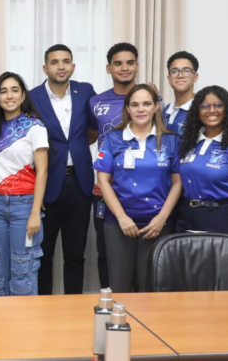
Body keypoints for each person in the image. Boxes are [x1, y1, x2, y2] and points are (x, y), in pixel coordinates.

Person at [94, 84, 182, 293]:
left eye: (146, 104)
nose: (140, 109)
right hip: (119, 224)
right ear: (127, 109)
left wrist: (161, 219)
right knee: (120, 287)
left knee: (151, 287)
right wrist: (122, 217)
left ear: (155, 107)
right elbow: (103, 181)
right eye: (135, 104)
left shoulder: (171, 140)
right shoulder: (113, 138)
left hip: (158, 225)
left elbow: (178, 183)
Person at [29, 44, 98, 295]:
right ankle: (44, 308)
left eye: (66, 61)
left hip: (80, 183)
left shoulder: (86, 91)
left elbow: (94, 128)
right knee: (43, 256)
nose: (61, 66)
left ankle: (75, 308)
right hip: (47, 184)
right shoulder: (32, 96)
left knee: (75, 254)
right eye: (55, 62)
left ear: (73, 66)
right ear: (46, 67)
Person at [0, 72, 48, 296]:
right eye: (3, 91)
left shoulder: (34, 126)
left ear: (23, 95)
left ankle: (24, 330)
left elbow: (43, 170)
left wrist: (35, 211)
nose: (9, 96)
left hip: (24, 206)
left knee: (22, 270)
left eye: (15, 90)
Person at [88, 42, 147, 289]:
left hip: (145, 191)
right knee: (106, 253)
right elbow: (90, 136)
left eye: (130, 62)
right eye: (118, 63)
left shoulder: (151, 99)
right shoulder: (95, 102)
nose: (124, 68)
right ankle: (109, 303)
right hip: (106, 189)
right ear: (108, 68)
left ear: (137, 66)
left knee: (145, 257)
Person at [176, 86, 228, 237]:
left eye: (218, 105)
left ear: (227, 109)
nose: (212, 110)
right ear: (197, 111)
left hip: (223, 217)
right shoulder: (188, 143)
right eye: (204, 106)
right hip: (187, 216)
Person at [164, 51, 199, 135]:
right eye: (174, 71)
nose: (180, 75)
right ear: (169, 79)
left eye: (186, 71)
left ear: (195, 77)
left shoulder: (201, 110)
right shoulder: (166, 110)